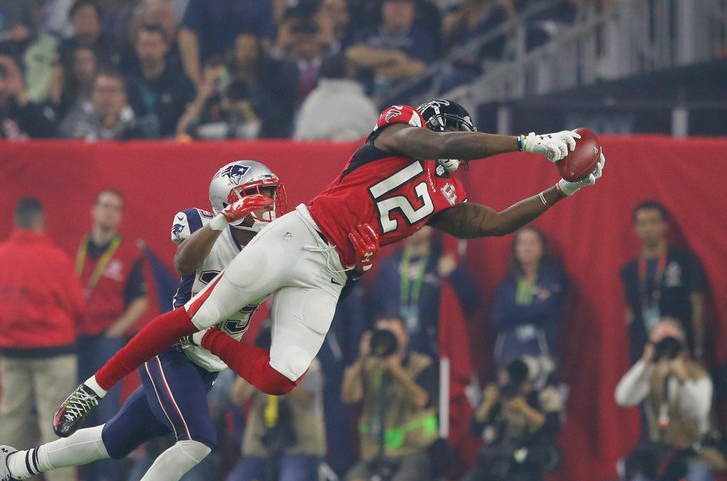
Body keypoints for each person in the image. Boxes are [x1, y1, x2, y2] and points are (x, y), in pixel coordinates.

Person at [55, 98, 606, 445]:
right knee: (197, 309)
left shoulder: (443, 192)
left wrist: (561, 189)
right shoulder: (399, 131)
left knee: (281, 377)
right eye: (458, 144)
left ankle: (203, 336)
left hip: (331, 274)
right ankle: (94, 386)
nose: (457, 161)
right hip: (302, 234)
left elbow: (492, 223)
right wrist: (528, 144)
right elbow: (439, 143)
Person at [0, 161, 286, 481]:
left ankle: (16, 465)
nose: (268, 203)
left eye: (271, 193)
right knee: (197, 440)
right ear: (229, 200)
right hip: (174, 348)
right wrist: (221, 221)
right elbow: (184, 264)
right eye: (257, 194)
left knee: (114, 439)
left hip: (209, 364)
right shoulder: (200, 222)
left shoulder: (276, 241)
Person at [0, 197, 83, 481]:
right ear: (40, 221)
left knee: (10, 421)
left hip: (13, 351)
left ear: (17, 220)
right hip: (54, 350)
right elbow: (77, 306)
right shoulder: (55, 258)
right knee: (54, 422)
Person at [74, 189, 149, 481]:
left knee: (106, 409)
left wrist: (115, 331)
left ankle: (106, 479)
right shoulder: (73, 249)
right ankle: (81, 478)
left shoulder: (129, 255)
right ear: (93, 210)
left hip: (107, 341)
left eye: (114, 208)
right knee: (77, 410)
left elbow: (140, 301)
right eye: (103, 205)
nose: (108, 213)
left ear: (120, 217)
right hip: (75, 339)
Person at [614, 317, 724, 481]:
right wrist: (645, 362)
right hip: (658, 458)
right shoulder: (649, 375)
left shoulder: (697, 374)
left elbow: (698, 409)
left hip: (692, 454)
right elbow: (623, 398)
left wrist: (682, 377)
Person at [222, 327, 326, 481]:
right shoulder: (258, 364)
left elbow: (308, 399)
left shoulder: (308, 362)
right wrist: (255, 366)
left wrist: (282, 373)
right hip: (261, 446)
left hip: (298, 446)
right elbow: (237, 398)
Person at [341, 315, 438, 481]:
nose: (387, 338)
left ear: (404, 337)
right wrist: (361, 359)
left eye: (392, 333)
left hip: (411, 450)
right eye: (382, 333)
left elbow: (421, 400)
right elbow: (349, 397)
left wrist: (395, 370)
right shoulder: (369, 365)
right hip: (374, 450)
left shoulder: (421, 364)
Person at [455, 356, 564, 481]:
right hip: (494, 464)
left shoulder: (543, 397)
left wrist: (523, 409)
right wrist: (487, 403)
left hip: (524, 465)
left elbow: (552, 428)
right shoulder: (500, 394)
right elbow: (475, 429)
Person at [372, 225, 478, 359]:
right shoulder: (388, 266)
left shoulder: (442, 262)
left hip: (430, 354)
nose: (417, 227)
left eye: (424, 221)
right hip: (392, 352)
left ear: (433, 227)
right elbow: (374, 309)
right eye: (413, 219)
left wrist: (454, 274)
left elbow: (471, 304)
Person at [620, 201, 707, 364]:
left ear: (664, 225)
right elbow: (630, 314)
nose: (648, 228)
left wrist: (699, 350)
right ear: (635, 228)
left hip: (681, 350)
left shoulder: (684, 261)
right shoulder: (630, 271)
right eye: (642, 223)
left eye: (653, 222)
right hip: (645, 352)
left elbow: (698, 307)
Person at [490, 226, 565, 371]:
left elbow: (548, 309)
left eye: (532, 242)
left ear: (542, 247)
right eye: (522, 243)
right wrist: (535, 307)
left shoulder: (552, 277)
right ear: (515, 249)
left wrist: (513, 311)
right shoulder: (507, 285)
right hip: (509, 354)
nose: (526, 248)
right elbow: (497, 318)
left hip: (542, 353)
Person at [126, 23, 195, 139]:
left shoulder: (180, 82)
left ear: (165, 46)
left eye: (154, 45)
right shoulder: (128, 81)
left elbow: (191, 114)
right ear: (136, 47)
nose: (148, 51)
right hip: (134, 145)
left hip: (172, 146)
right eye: (144, 45)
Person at [294, 52, 379, 142]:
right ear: (350, 72)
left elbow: (299, 138)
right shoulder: (361, 104)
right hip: (348, 155)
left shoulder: (311, 101)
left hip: (315, 154)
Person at [0, 54, 58, 140]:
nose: (4, 82)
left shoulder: (33, 110)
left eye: (10, 75)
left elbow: (50, 135)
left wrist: (20, 94)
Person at [58, 68, 144, 141]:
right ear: (91, 95)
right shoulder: (75, 121)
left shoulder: (136, 127)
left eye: (112, 91)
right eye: (101, 91)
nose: (106, 97)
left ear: (124, 97)